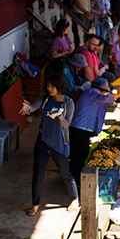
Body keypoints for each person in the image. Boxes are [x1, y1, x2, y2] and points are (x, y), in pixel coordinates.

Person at [20, 75, 79, 216]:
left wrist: (60, 116)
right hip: (43, 140)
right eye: (48, 86)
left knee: (66, 174)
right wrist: (28, 107)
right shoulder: (46, 98)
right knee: (37, 174)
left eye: (52, 86)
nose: (50, 89)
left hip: (59, 143)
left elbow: (67, 125)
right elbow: (33, 107)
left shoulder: (68, 103)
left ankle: (75, 199)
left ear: (60, 87)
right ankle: (35, 204)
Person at [68, 78, 120, 186]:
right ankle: (74, 181)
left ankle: (75, 180)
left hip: (85, 129)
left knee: (81, 155)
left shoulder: (93, 97)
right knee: (78, 156)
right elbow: (102, 98)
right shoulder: (92, 93)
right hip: (79, 128)